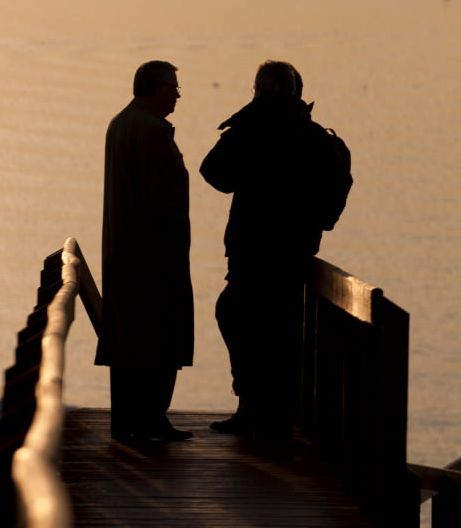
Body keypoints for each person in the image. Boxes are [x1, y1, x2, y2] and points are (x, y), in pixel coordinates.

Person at [200, 60, 351, 444]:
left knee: (238, 318)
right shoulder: (316, 137)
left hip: (252, 249)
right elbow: (338, 184)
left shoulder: (250, 130)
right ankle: (274, 415)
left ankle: (254, 407)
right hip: (293, 250)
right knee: (279, 331)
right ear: (297, 93)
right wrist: (319, 223)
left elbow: (213, 172)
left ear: (259, 92)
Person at [94, 60, 194, 445]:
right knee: (159, 336)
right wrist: (175, 243)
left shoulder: (120, 123)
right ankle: (152, 418)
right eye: (173, 88)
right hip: (153, 253)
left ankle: (128, 420)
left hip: (124, 249)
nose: (177, 95)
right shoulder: (151, 132)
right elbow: (163, 200)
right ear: (154, 88)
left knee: (128, 339)